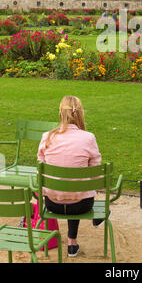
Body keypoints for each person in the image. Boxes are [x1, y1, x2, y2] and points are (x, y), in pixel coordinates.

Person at [37, 95, 102, 257]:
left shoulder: (47, 137)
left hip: (53, 204)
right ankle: (72, 242)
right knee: (77, 189)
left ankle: (72, 243)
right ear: (80, 114)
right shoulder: (89, 138)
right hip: (82, 205)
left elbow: (41, 170)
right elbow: (96, 174)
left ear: (60, 112)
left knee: (69, 187)